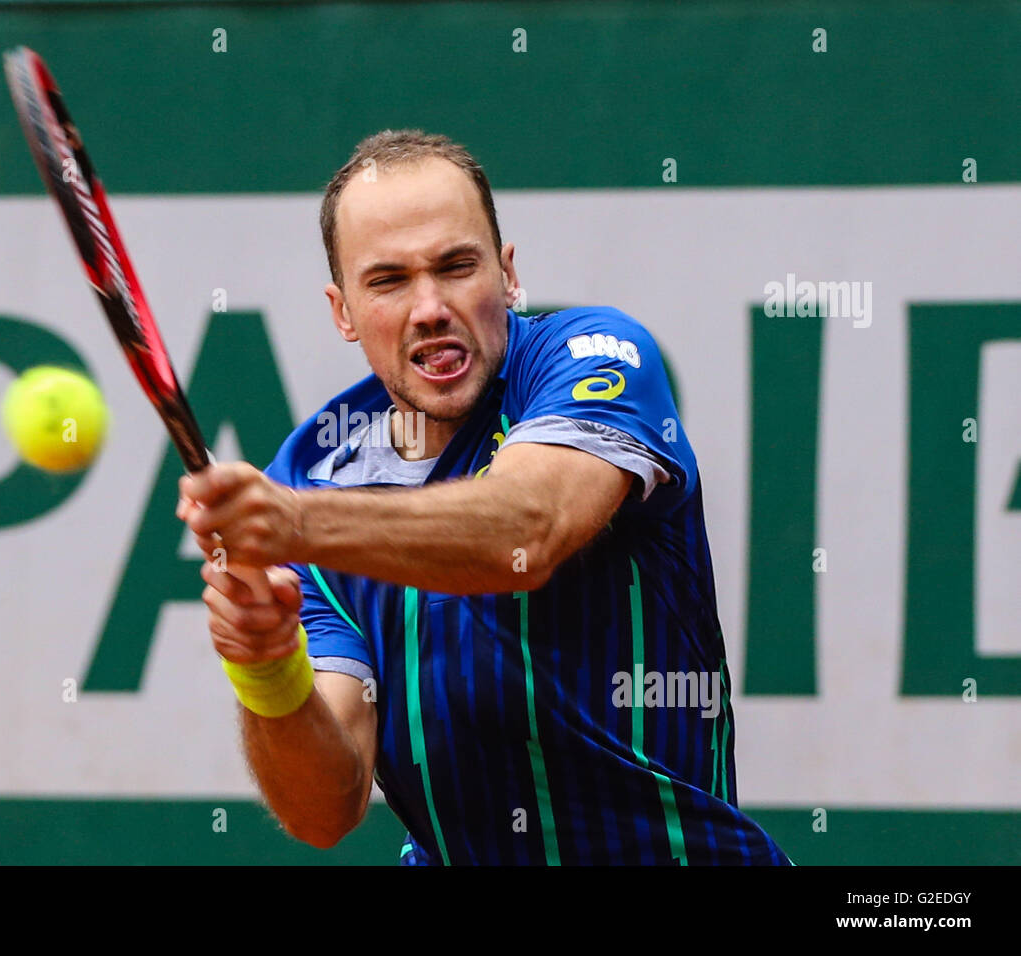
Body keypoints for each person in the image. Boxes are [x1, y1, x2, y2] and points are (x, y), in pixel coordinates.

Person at [176, 129, 790, 865]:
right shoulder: (308, 473)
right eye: (389, 281)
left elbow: (525, 533)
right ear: (343, 312)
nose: (429, 306)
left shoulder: (592, 358)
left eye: (456, 266)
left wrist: (296, 524)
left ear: (507, 275)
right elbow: (325, 811)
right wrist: (268, 666)